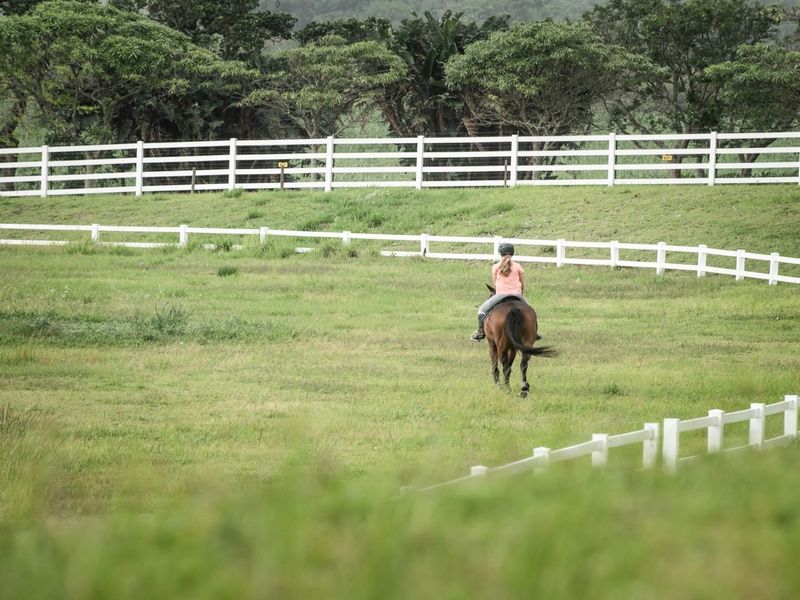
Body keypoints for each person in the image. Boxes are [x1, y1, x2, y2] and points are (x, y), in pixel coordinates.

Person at [470, 243, 538, 342]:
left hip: (500, 295)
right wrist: (520, 292)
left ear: (500, 253)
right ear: (512, 253)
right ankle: (533, 333)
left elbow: (495, 285)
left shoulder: (496, 267)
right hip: (517, 295)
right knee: (531, 312)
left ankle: (481, 332)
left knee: (482, 310)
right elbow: (522, 284)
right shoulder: (518, 266)